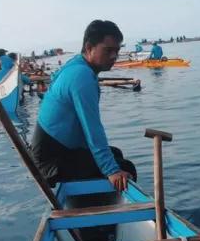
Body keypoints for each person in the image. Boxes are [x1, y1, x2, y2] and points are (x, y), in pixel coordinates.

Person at [30, 19, 137, 190]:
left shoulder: (76, 64)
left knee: (115, 153)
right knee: (126, 168)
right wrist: (111, 171)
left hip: (51, 151)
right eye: (108, 50)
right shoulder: (82, 76)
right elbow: (92, 128)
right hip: (50, 162)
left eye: (117, 51)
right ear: (89, 47)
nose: (113, 56)